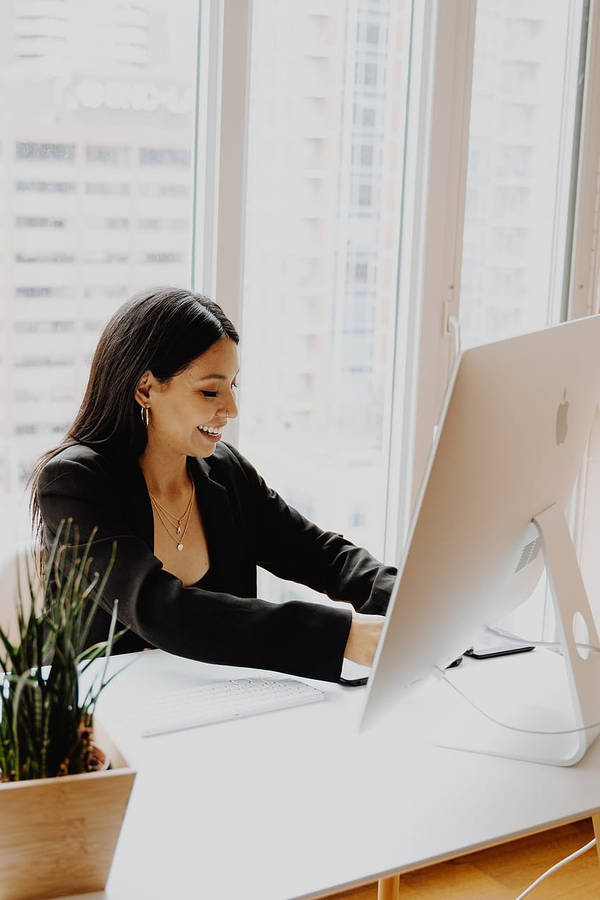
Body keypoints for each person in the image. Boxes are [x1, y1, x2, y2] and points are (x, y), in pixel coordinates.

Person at [30, 287, 395, 683]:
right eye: (210, 391)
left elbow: (319, 554)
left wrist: (410, 600)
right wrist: (343, 636)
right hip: (103, 722)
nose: (231, 409)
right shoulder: (74, 484)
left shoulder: (224, 471)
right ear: (146, 389)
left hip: (217, 703)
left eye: (233, 386)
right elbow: (162, 611)